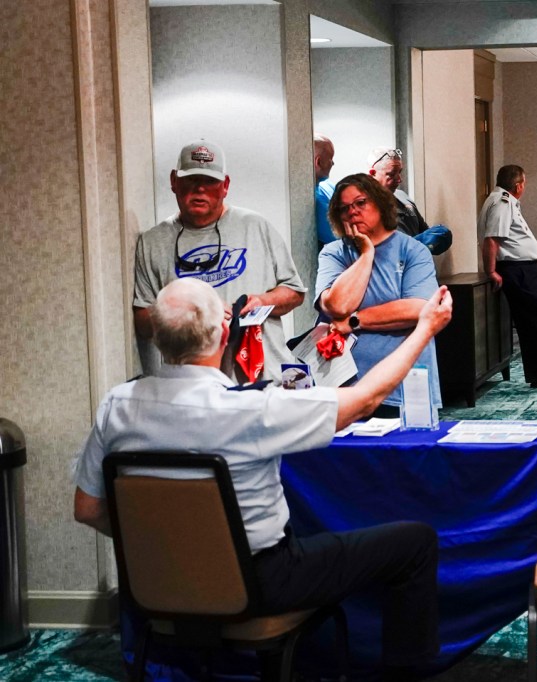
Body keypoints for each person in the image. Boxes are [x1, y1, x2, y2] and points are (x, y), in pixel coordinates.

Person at [74, 277, 451, 681]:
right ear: (224, 334)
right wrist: (425, 328)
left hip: (156, 586)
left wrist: (171, 545)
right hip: (260, 583)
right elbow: (365, 401)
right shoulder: (251, 408)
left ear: (157, 337)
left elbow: (88, 508)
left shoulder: (116, 405)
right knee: (415, 543)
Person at [134, 139, 306, 384]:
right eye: (191, 179)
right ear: (174, 181)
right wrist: (195, 314)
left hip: (265, 380)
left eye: (209, 181)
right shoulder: (152, 241)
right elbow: (142, 321)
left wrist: (262, 301)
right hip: (194, 388)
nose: (200, 189)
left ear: (225, 186)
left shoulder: (256, 226)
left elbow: (294, 292)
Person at [316, 173, 442, 417]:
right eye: (344, 208)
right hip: (347, 386)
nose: (352, 211)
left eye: (360, 203)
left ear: (380, 203)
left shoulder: (413, 250)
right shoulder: (333, 253)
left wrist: (354, 321)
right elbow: (337, 305)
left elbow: (417, 309)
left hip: (404, 385)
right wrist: (366, 255)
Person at [480, 165, 537, 389]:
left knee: (530, 324)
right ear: (518, 185)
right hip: (517, 270)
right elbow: (492, 239)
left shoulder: (501, 200)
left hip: (522, 269)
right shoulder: (503, 202)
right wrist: (491, 271)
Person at [367, 147, 452, 255]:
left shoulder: (403, 197)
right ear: (372, 173)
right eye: (391, 174)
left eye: (399, 172)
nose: (399, 179)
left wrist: (435, 239)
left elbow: (425, 233)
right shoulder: (362, 207)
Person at [314, 134, 337, 249]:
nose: (333, 163)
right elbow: (336, 236)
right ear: (318, 162)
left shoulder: (329, 186)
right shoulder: (312, 200)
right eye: (330, 159)